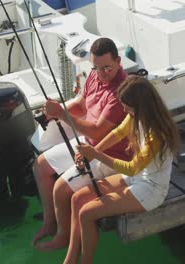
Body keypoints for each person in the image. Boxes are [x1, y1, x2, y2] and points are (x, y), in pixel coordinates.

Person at [63, 75, 180, 264]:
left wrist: (94, 154)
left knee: (86, 213)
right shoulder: (137, 115)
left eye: (127, 106)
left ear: (139, 106)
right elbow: (119, 133)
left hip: (150, 190)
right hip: (137, 178)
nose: (124, 110)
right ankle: (69, 260)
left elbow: (132, 168)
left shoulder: (156, 134)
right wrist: (92, 152)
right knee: (78, 199)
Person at [32, 38, 131, 248]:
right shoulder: (95, 77)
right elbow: (79, 105)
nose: (101, 73)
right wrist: (56, 112)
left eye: (107, 68)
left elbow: (97, 130)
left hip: (109, 154)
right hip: (87, 144)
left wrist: (61, 114)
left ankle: (62, 236)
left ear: (118, 61)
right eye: (96, 67)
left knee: (60, 188)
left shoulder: (122, 91)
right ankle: (50, 222)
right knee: (40, 165)